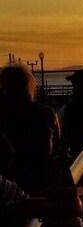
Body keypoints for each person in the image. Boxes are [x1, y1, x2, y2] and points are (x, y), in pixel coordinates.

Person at [0, 64, 59, 196]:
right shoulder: (46, 113)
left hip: (11, 184)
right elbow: (56, 147)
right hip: (42, 180)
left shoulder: (4, 115)